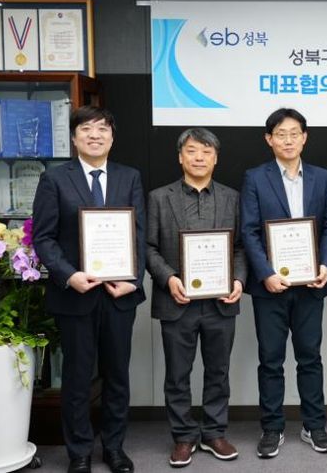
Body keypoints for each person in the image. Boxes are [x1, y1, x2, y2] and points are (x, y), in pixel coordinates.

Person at [32, 106, 146, 473]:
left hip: (118, 295)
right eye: (86, 129)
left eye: (102, 129)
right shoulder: (54, 179)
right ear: (74, 137)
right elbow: (43, 238)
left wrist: (133, 279)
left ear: (112, 137)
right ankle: (79, 450)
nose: (95, 135)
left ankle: (114, 447)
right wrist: (69, 275)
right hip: (75, 295)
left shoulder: (129, 177)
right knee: (78, 377)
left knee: (117, 375)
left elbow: (139, 235)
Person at [146, 128, 248, 467]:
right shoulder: (158, 198)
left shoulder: (233, 198)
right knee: (177, 374)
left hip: (221, 301)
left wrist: (238, 279)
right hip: (176, 300)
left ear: (216, 158)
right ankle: (184, 436)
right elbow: (148, 247)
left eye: (206, 152)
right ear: (180, 157)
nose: (199, 157)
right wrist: (169, 278)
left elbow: (240, 247)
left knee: (218, 371)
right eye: (191, 151)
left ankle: (214, 432)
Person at [240, 108, 327, 458]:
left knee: (310, 358)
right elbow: (249, 230)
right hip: (270, 287)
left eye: (294, 133)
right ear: (269, 139)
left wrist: (324, 264)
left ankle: (315, 425)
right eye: (281, 134)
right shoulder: (255, 178)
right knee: (271, 360)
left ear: (304, 137)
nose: (288, 140)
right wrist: (266, 273)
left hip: (310, 285)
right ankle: (272, 428)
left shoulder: (322, 177)